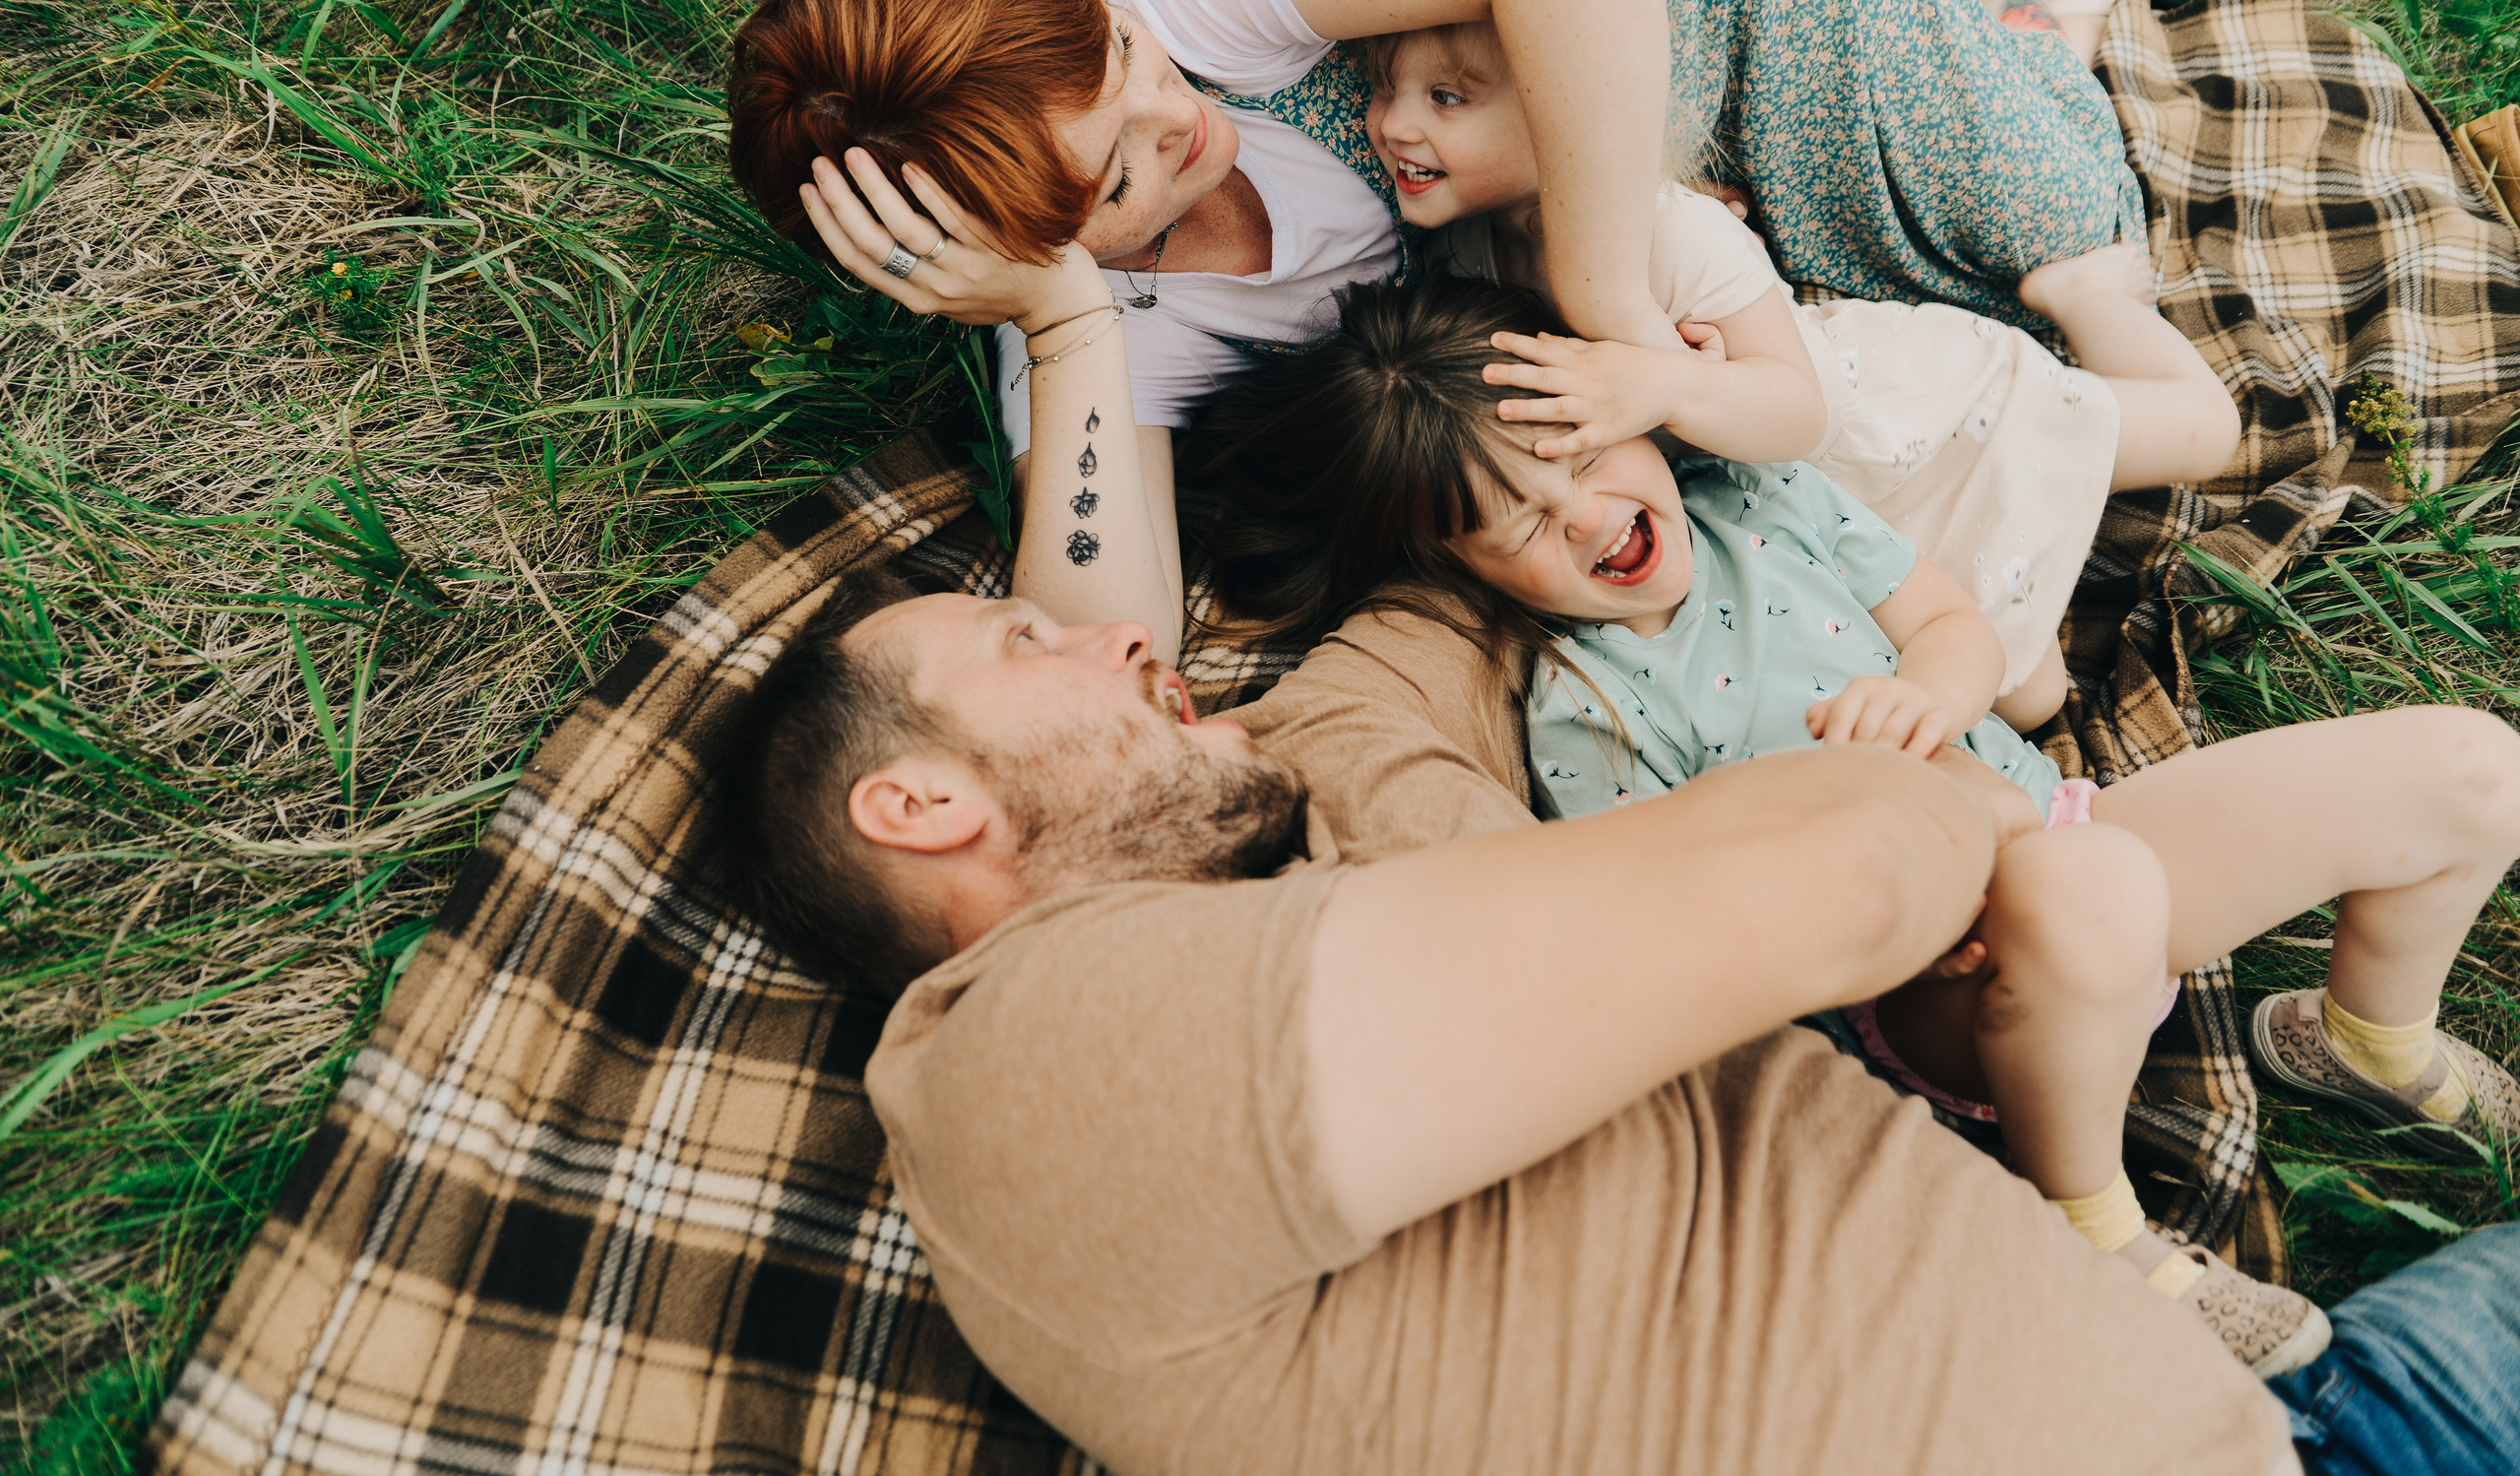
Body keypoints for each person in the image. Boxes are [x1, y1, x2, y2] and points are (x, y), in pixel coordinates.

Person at [720, 560, 2520, 1475]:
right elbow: (1835, 877)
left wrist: (1521, 465)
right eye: (1035, 638)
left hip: (2293, 1423)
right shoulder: (1026, 1045)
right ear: (918, 807)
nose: (1130, 637)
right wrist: (1958, 810)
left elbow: (1408, 633)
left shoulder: (1321, 834)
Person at [1176, 274, 2520, 1376]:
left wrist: (1925, 694)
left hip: (2060, 824)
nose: (1583, 516)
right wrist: (1892, 900)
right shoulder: (1583, 710)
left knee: (2471, 771)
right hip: (1948, 974)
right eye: (1518, 525)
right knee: (2092, 887)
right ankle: (2092, 1222)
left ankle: (2360, 1037)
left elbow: (1952, 628)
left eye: (1582, 457)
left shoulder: (1762, 500)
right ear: (1461, 568)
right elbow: (1714, 938)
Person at [723, 0, 2163, 665]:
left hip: (1624, 38)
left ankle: (2033, 21)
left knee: (2045, 240)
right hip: (1565, 203)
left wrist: (1605, 305)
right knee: (1864, 372)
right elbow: (1117, 638)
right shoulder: (1084, 314)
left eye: (1126, 59)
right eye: (1116, 185)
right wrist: (1060, 322)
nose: (1181, 118)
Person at [1366, 14, 2238, 728]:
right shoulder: (1472, 258)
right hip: (1826, 517)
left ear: (1563, 109)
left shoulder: (1667, 233)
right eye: (1383, 89)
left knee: (2209, 430)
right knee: (2031, 698)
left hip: (1913, 430)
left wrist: (1672, 386)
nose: (1395, 124)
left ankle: (2082, 293)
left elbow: (1800, 413)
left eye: (1447, 98)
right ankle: (2010, 567)